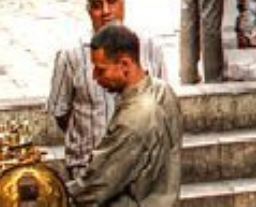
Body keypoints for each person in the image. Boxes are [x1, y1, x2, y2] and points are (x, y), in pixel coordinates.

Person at [47, 0, 167, 181]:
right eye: (97, 5)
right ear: (88, 11)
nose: (106, 11)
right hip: (88, 167)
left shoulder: (150, 48)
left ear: (123, 3)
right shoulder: (71, 55)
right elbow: (61, 112)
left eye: (112, 2)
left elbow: (160, 104)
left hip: (139, 168)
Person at [70, 25, 185, 206]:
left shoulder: (133, 120)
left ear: (124, 64)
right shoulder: (163, 89)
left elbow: (97, 187)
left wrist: (57, 191)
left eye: (100, 70)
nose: (94, 77)